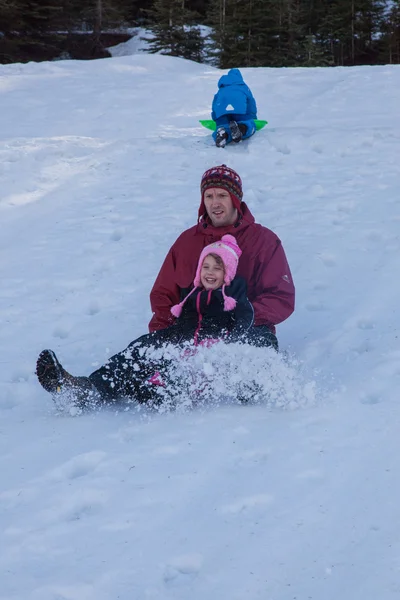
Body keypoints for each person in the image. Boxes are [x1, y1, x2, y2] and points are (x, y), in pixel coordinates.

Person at [36, 235, 258, 409]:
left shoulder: (232, 297)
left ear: (227, 273)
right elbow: (182, 326)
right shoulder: (191, 294)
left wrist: (230, 342)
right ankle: (87, 389)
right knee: (136, 352)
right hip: (180, 345)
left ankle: (160, 392)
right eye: (205, 266)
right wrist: (159, 340)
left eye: (217, 268)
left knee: (169, 372)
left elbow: (246, 319)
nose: (209, 273)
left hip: (204, 357)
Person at [149, 164, 295, 343]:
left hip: (245, 331)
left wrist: (240, 317)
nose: (214, 203)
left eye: (222, 195)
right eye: (209, 196)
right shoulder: (187, 241)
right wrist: (161, 339)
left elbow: (280, 297)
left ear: (235, 199)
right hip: (190, 333)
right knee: (132, 358)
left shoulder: (264, 241)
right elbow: (163, 295)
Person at [211, 68, 258, 148]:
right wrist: (252, 118)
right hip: (240, 112)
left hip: (222, 113)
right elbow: (251, 103)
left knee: (223, 125)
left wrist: (216, 119)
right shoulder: (243, 87)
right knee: (249, 125)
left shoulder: (222, 88)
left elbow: (215, 105)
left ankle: (223, 133)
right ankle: (241, 128)